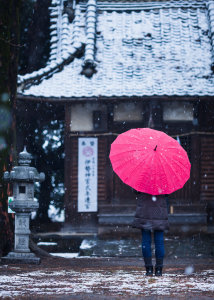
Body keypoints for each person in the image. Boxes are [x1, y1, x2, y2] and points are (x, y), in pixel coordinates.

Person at [132, 192, 169, 276]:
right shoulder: (163, 181)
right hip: (159, 212)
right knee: (159, 242)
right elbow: (167, 194)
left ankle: (148, 269)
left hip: (145, 212)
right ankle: (159, 269)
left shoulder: (141, 180)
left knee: (145, 241)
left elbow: (135, 191)